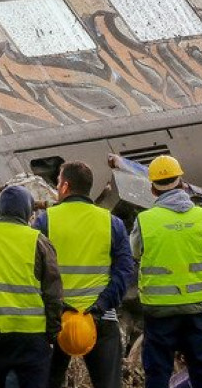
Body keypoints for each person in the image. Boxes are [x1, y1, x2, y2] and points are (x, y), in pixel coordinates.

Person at [35, 162, 134, 388]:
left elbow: (33, 270)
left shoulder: (45, 221)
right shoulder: (111, 223)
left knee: (47, 382)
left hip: (55, 319)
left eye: (58, 181)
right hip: (101, 318)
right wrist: (101, 305)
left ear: (65, 186)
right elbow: (124, 270)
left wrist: (56, 307)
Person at [0, 185, 65, 388]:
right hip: (31, 339)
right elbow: (53, 294)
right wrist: (51, 333)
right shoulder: (39, 241)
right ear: (27, 211)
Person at [131, 155, 202, 388]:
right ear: (181, 182)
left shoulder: (145, 220)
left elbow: (135, 252)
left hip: (160, 310)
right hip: (199, 307)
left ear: (152, 188)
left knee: (158, 372)